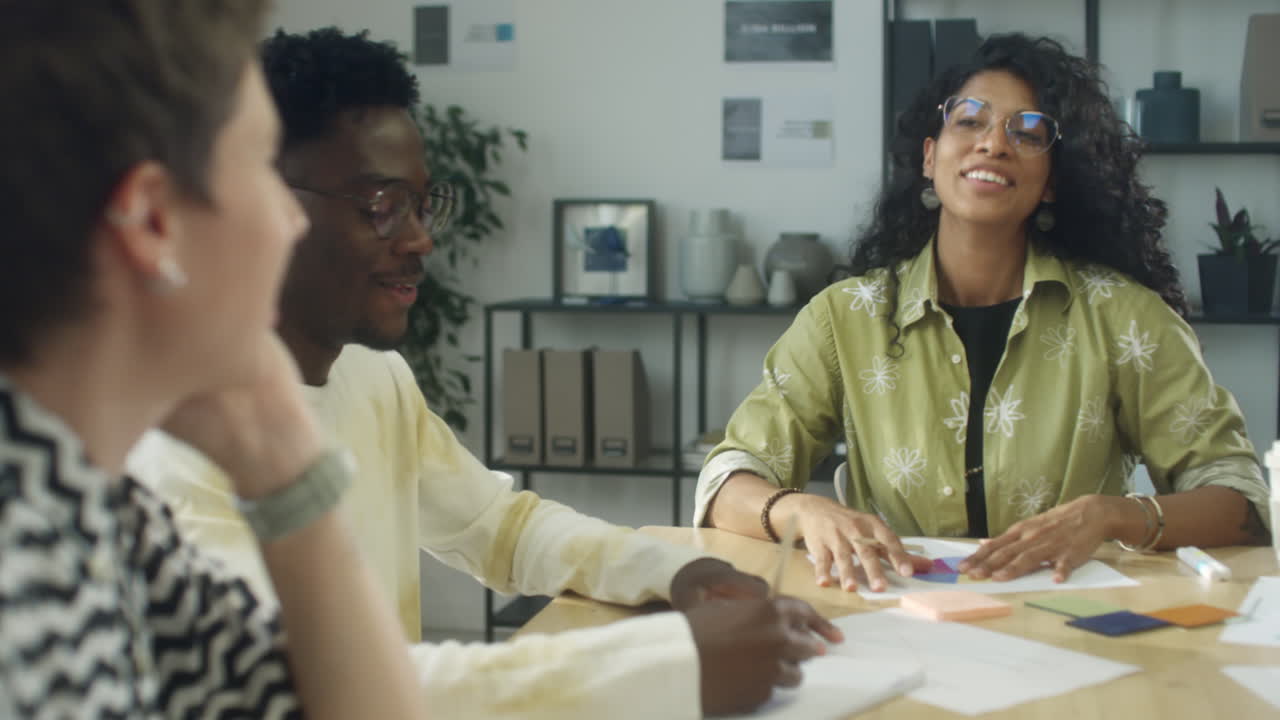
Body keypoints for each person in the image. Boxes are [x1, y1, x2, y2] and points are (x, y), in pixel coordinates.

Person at [126, 27, 840, 719]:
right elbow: (297, 690)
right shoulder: (177, 445)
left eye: (420, 202)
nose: (420, 238)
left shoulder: (376, 379)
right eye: (380, 205)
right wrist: (665, 670)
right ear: (262, 205)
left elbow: (497, 528)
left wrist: (674, 571)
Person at [694, 34, 1271, 594]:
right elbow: (726, 480)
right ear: (929, 156)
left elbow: (1239, 501)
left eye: (1027, 133)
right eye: (970, 121)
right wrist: (800, 509)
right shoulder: (843, 320)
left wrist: (1114, 515)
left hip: (1072, 627)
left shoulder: (1125, 319)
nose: (994, 144)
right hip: (896, 618)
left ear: (1051, 184)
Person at [0, 2, 428, 718]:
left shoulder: (105, 514)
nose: (290, 219)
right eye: (262, 167)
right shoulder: (20, 595)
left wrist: (287, 466)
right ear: (154, 221)